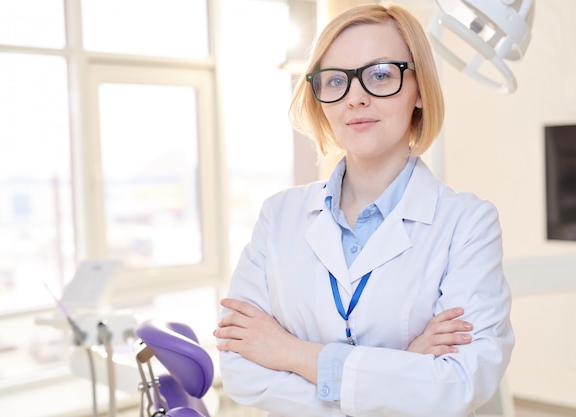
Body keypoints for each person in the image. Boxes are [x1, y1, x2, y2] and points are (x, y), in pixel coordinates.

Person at [213, 3, 514, 417]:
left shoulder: (467, 223)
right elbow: (241, 370)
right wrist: (405, 369)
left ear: (420, 90)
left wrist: (288, 352)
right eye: (336, 80)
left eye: (380, 75)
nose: (355, 98)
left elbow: (461, 383)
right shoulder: (278, 216)